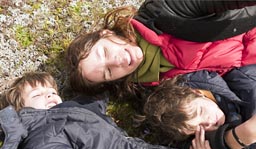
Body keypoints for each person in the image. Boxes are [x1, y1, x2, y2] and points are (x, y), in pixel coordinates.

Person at [65, 0, 256, 98]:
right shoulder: (156, 91)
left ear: (106, 34)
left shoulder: (164, 9)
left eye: (105, 52)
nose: (117, 61)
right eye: (108, 72)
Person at [0, 71, 179, 149]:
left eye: (53, 92)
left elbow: (99, 94)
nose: (49, 94)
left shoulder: (75, 110)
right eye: (37, 94)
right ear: (20, 110)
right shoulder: (41, 134)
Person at [143, 64, 256, 149]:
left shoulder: (244, 80)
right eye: (198, 128)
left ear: (198, 93)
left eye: (200, 111)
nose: (208, 123)